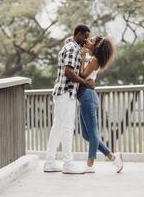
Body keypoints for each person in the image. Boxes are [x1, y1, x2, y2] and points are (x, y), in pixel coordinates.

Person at [44, 24, 95, 174]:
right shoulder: (72, 48)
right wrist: (85, 82)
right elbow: (68, 72)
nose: (86, 39)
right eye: (85, 36)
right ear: (78, 34)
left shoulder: (72, 47)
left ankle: (49, 162)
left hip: (63, 93)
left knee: (58, 128)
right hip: (66, 93)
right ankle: (67, 164)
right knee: (67, 128)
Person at [77, 36, 123, 173]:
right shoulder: (91, 59)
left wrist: (82, 57)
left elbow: (82, 76)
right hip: (85, 97)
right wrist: (83, 56)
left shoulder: (94, 60)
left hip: (87, 97)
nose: (88, 41)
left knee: (93, 132)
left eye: (91, 41)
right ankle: (113, 157)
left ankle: (90, 164)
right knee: (86, 135)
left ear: (96, 46)